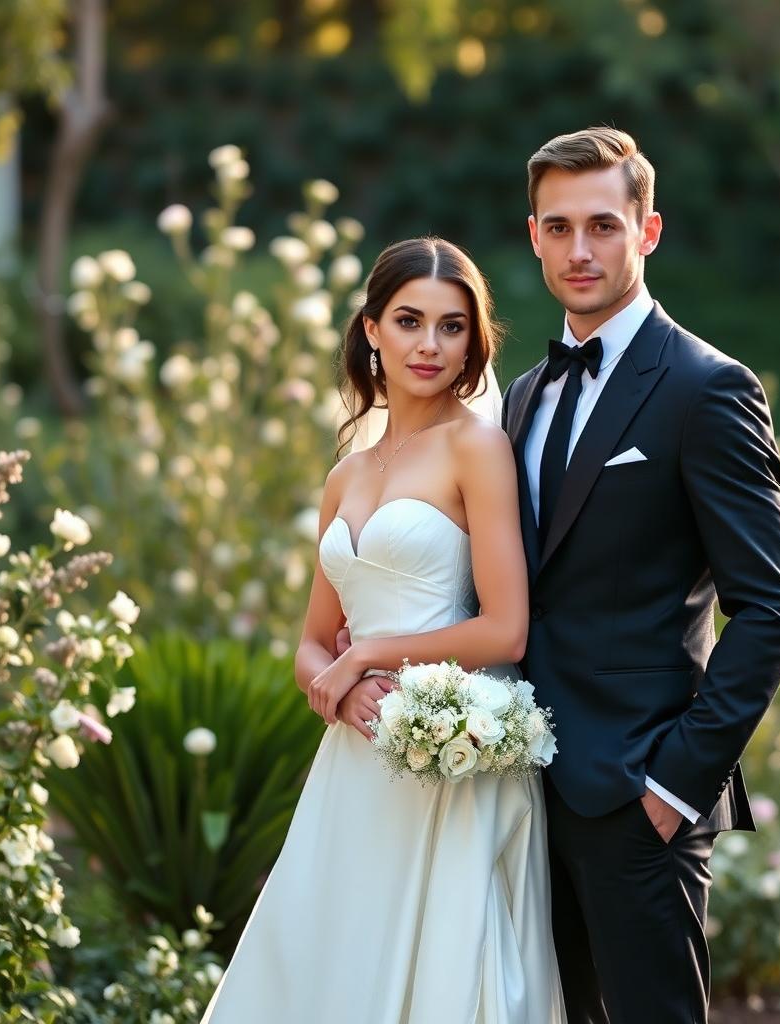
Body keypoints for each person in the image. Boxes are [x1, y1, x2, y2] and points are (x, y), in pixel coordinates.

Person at [200, 237, 565, 1024]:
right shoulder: (345, 476)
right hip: (358, 762)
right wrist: (340, 688)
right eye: (408, 321)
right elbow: (310, 643)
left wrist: (369, 653)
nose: (429, 345)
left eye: (451, 327)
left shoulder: (477, 447)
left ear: (473, 341)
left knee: (444, 969)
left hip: (452, 751)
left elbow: (505, 630)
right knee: (331, 962)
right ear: (371, 328)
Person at [501, 127, 780, 1023]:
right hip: (520, 797)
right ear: (534, 238)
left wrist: (675, 787)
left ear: (649, 230)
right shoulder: (524, 395)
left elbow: (772, 609)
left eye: (602, 224)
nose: (580, 249)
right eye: (558, 228)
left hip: (640, 801)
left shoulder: (706, 388)